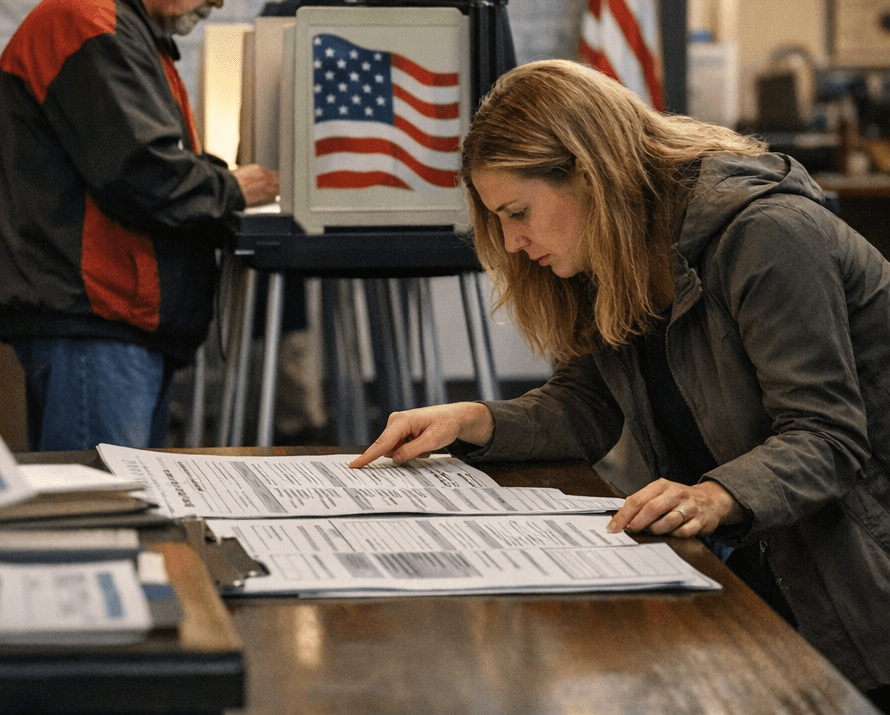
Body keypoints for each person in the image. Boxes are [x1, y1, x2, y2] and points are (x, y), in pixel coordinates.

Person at [351, 58, 890, 707]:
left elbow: (828, 436)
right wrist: (474, 421)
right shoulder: (615, 246)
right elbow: (587, 406)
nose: (512, 243)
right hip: (762, 557)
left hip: (858, 569)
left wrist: (718, 494)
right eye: (497, 220)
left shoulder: (765, 233)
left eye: (517, 211)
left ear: (587, 173)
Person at [0, 0, 280, 452]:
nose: (216, 0)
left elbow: (138, 157)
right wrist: (230, 188)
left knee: (113, 504)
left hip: (109, 321)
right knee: (100, 512)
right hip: (96, 321)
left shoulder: (117, 25)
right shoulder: (92, 23)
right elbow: (143, 173)